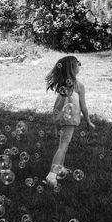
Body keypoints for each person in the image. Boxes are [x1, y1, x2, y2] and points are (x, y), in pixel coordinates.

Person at [45, 56, 95, 187]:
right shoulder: (78, 86)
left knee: (64, 145)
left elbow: (57, 108)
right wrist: (88, 121)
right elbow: (83, 107)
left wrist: (56, 126)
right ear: (72, 68)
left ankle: (60, 168)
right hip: (70, 120)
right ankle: (51, 175)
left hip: (60, 119)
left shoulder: (62, 85)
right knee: (62, 147)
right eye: (78, 64)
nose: (80, 66)